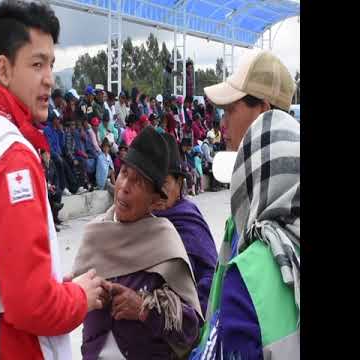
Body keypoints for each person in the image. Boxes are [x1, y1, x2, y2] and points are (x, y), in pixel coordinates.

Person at [0, 4, 108, 359]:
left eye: (51, 63)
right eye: (37, 64)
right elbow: (32, 305)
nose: (49, 77)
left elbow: (5, 274)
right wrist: (80, 296)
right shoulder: (13, 157)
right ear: (4, 69)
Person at [191, 50, 298, 360]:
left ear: (263, 111)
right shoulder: (248, 212)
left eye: (230, 109)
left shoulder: (258, 239)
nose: (222, 123)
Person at [73, 127, 203, 359]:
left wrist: (145, 308)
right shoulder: (95, 234)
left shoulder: (165, 241)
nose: (124, 186)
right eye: (124, 173)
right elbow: (69, 305)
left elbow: (191, 330)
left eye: (138, 182)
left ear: (155, 201)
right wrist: (76, 295)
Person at [152, 133, 217, 314]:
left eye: (164, 183)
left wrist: (191, 314)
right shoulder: (143, 219)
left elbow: (210, 274)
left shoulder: (188, 220)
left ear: (179, 183)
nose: (158, 193)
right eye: (152, 184)